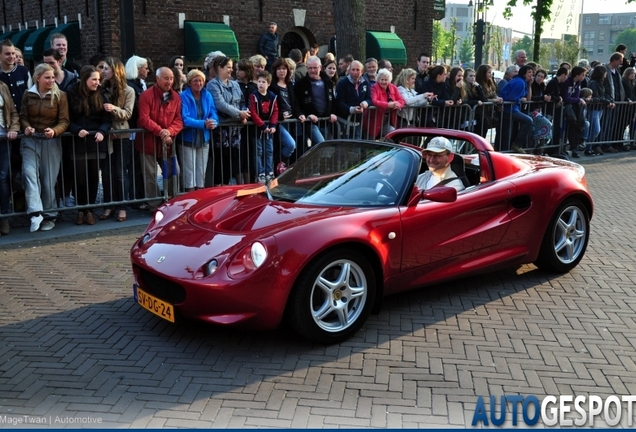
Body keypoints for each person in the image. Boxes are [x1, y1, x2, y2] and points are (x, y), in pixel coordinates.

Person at [19, 63, 69, 232]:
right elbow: (23, 116)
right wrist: (26, 127)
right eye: (47, 77)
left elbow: (64, 120)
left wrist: (54, 131)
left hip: (50, 141)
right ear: (37, 78)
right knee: (29, 173)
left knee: (48, 181)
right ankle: (35, 212)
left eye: (53, 77)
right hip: (31, 139)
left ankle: (49, 215)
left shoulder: (60, 95)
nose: (51, 80)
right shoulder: (28, 94)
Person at [67, 66, 112, 225]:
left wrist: (102, 131)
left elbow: (107, 119)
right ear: (85, 79)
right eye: (94, 79)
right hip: (78, 142)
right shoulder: (71, 94)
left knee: (93, 177)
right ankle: (81, 210)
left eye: (99, 79)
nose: (97, 83)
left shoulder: (101, 95)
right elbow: (67, 119)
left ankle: (90, 210)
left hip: (96, 142)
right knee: (80, 178)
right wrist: (77, 130)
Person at [135, 67, 183, 209]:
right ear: (157, 79)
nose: (169, 82)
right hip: (147, 142)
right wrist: (161, 132)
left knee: (174, 171)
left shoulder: (175, 96)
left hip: (167, 143)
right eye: (166, 78)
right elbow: (144, 119)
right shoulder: (146, 95)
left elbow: (179, 120)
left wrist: (169, 132)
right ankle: (154, 204)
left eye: (172, 78)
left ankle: (171, 201)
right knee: (150, 175)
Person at [101, 57, 136, 221]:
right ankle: (109, 204)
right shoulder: (102, 89)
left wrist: (114, 108)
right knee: (107, 172)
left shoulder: (128, 91)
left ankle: (122, 206)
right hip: (107, 134)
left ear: (115, 71)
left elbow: (127, 113)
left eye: (106, 68)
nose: (103, 71)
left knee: (120, 171)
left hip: (122, 134)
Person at [207, 56, 251, 185]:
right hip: (222, 131)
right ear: (220, 68)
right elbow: (220, 104)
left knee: (234, 160)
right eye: (229, 67)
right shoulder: (212, 85)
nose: (231, 70)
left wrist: (244, 113)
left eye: (232, 67)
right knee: (222, 160)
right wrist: (239, 114)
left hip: (235, 130)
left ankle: (228, 187)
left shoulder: (235, 84)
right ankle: (219, 186)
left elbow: (242, 101)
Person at [179, 69, 218, 192]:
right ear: (189, 82)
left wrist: (213, 122)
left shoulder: (207, 95)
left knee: (201, 170)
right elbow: (184, 118)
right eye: (195, 81)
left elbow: (213, 111)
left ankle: (200, 196)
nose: (199, 83)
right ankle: (190, 197)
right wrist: (203, 124)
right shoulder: (183, 96)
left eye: (201, 80)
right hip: (188, 138)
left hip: (204, 138)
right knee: (189, 171)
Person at [294, 56, 337, 146]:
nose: (313, 70)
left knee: (321, 149)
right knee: (321, 144)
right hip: (310, 122)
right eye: (310, 68)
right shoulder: (301, 84)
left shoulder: (327, 81)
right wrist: (306, 115)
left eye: (315, 68)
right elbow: (296, 103)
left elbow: (332, 99)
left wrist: (333, 112)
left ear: (320, 68)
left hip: (325, 121)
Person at [268, 57, 298, 173]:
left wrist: (299, 114)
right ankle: (279, 165)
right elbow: (271, 107)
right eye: (279, 69)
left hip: (291, 121)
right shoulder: (272, 87)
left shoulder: (290, 85)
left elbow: (295, 103)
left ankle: (283, 168)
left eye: (284, 69)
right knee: (290, 144)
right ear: (275, 71)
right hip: (278, 122)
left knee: (289, 146)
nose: (282, 71)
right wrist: (280, 115)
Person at [249, 71, 278, 183]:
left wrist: (273, 125)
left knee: (269, 150)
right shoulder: (253, 96)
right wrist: (262, 125)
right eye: (259, 81)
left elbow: (275, 111)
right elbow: (253, 112)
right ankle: (260, 173)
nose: (261, 84)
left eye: (263, 82)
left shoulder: (272, 96)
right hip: (257, 129)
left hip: (269, 129)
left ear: (268, 84)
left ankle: (269, 172)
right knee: (259, 151)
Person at [500, 65, 534, 153]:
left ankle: (513, 147)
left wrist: (530, 85)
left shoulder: (523, 82)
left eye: (532, 72)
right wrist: (520, 99)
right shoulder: (520, 82)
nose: (532, 74)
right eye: (529, 72)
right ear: (524, 74)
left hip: (513, 109)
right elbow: (511, 98)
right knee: (528, 120)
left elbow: (528, 98)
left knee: (509, 133)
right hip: (509, 109)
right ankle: (517, 145)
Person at [0, 80, 19, 235]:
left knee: (3, 178)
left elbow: (13, 111)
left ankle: (4, 218)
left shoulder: (3, 86)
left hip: (3, 139)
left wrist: (13, 128)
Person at [364, 68, 405, 139]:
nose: (383, 82)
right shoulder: (374, 87)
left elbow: (402, 100)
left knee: (393, 133)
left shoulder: (393, 87)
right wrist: (388, 105)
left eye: (386, 80)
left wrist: (397, 104)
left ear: (389, 80)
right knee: (371, 141)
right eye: (382, 79)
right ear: (378, 79)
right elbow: (374, 101)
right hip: (374, 121)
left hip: (387, 121)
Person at [335, 60, 371, 139]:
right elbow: (339, 102)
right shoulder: (342, 83)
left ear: (362, 71)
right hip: (343, 122)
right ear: (349, 70)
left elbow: (369, 97)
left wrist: (365, 103)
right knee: (343, 149)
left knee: (356, 149)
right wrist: (352, 109)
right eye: (353, 69)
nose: (355, 72)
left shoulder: (365, 83)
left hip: (357, 123)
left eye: (357, 70)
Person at [560, 66, 589, 159]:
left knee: (578, 126)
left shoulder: (578, 83)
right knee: (567, 128)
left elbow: (576, 95)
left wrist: (577, 100)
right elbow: (566, 97)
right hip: (567, 108)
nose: (584, 77)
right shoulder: (567, 82)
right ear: (577, 74)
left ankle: (575, 148)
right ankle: (563, 148)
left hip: (576, 107)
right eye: (582, 75)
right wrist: (578, 100)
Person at [602, 52, 627, 151]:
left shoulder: (617, 71)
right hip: (608, 102)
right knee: (605, 124)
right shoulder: (604, 69)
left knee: (612, 125)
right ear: (614, 60)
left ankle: (608, 144)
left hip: (617, 102)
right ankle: (603, 145)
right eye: (620, 61)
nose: (621, 63)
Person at [586, 65, 614, 155]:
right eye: (604, 72)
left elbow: (603, 96)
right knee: (596, 130)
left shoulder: (600, 83)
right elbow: (597, 97)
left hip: (599, 109)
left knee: (594, 130)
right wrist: (607, 101)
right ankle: (588, 147)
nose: (606, 74)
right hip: (594, 109)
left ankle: (589, 148)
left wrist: (609, 100)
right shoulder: (594, 83)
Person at [474, 64, 503, 138]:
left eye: (491, 72)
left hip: (488, 112)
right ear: (483, 73)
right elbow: (483, 98)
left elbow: (493, 93)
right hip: (480, 112)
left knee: (484, 132)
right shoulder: (478, 84)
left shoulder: (490, 82)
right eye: (489, 72)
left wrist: (498, 98)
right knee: (479, 133)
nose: (490, 74)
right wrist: (494, 100)